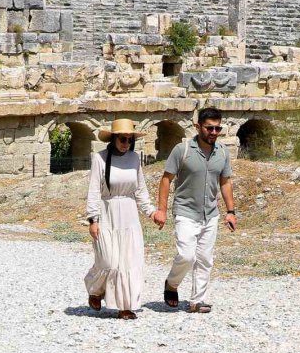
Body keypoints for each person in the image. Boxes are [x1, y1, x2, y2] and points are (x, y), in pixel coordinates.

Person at [155, 107, 236, 313]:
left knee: (205, 259)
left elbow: (225, 182)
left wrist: (231, 211)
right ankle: (172, 284)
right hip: (185, 211)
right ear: (198, 127)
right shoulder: (182, 150)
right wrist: (161, 210)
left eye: (217, 128)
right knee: (186, 255)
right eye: (209, 128)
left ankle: (197, 301)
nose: (214, 132)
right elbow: (166, 180)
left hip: (210, 213)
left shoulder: (223, 152)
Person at [84, 119, 164, 319]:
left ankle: (125, 306)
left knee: (128, 261)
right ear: (113, 138)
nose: (126, 143)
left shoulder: (134, 159)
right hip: (107, 212)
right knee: (108, 261)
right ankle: (95, 289)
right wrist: (93, 219)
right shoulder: (100, 159)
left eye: (130, 140)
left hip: (129, 215)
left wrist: (151, 212)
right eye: (122, 139)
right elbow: (94, 191)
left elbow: (140, 190)